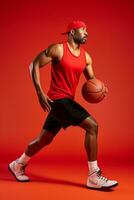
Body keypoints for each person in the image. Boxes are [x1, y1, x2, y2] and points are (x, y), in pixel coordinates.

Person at [8, 20, 118, 189]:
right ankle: (93, 176)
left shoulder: (86, 57)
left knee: (43, 140)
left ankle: (18, 164)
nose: (87, 33)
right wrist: (39, 92)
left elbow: (92, 83)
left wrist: (102, 89)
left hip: (66, 102)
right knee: (92, 126)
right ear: (72, 32)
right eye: (83, 30)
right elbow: (34, 64)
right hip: (58, 100)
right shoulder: (58, 49)